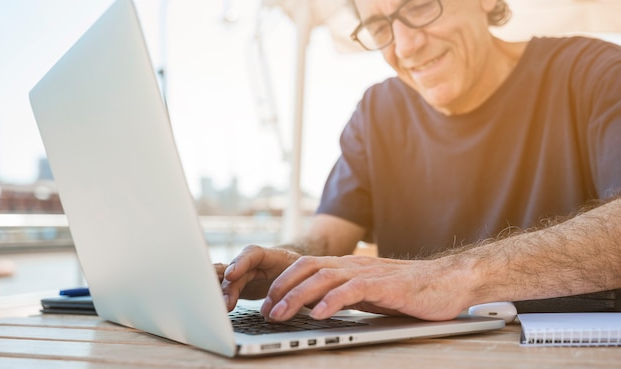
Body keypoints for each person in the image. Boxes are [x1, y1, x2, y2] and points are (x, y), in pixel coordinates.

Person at [216, 0, 621, 323]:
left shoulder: (596, 74)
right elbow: (324, 241)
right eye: (379, 26)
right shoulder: (377, 111)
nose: (405, 46)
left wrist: (445, 278)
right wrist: (287, 266)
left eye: (421, 5)